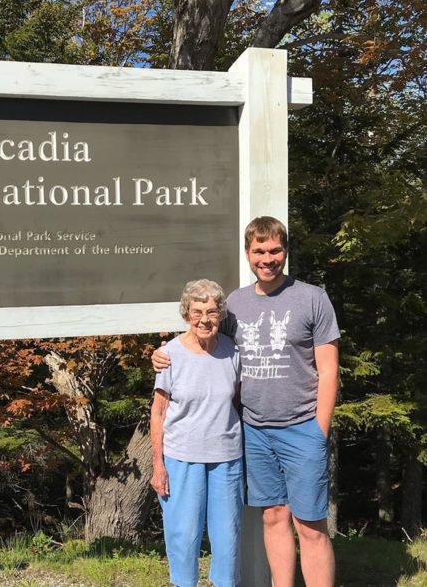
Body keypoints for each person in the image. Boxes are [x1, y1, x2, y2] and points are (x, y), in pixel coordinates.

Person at [152, 216, 340, 587]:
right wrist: (161, 355)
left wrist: (319, 430)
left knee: (311, 525)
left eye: (275, 250)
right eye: (259, 251)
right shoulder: (235, 304)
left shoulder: (313, 298)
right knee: (273, 517)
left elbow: (329, 371)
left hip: (303, 427)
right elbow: (200, 336)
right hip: (253, 430)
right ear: (248, 253)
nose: (267, 258)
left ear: (285, 251)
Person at [151, 279, 242, 587]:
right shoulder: (169, 354)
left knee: (227, 536)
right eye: (198, 311)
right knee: (184, 535)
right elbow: (158, 412)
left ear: (221, 314)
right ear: (186, 313)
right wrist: (157, 465)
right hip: (181, 457)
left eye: (212, 311)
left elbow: (240, 401)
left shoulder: (232, 351)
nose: (205, 319)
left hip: (227, 457)